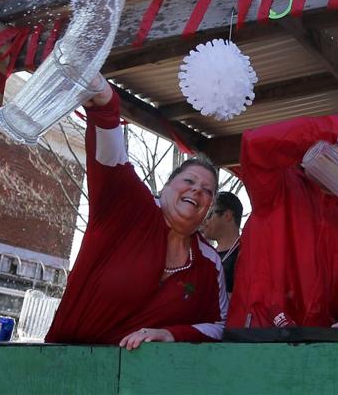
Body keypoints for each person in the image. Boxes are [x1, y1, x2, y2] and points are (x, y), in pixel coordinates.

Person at [45, 77, 228, 348]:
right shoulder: (130, 207)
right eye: (189, 181)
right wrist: (106, 109)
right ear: (166, 187)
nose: (197, 191)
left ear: (208, 210)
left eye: (208, 190)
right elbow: (113, 162)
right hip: (68, 360)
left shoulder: (209, 265)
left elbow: (218, 324)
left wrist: (171, 334)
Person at [227, 115, 338, 332]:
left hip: (316, 348)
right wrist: (333, 130)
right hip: (257, 338)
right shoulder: (276, 188)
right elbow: (255, 143)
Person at [201, 191, 243, 293]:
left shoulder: (246, 255)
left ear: (227, 216)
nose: (204, 220)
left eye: (209, 214)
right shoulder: (207, 256)